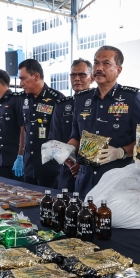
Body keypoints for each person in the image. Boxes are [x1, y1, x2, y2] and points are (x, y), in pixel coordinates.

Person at [67, 46, 140, 196]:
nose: (99, 68)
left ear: (119, 70)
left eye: (106, 63)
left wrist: (120, 152)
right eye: (96, 63)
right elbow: (75, 136)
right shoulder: (82, 99)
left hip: (117, 183)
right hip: (86, 181)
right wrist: (66, 150)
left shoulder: (132, 98)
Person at [17, 58, 66, 188]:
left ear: (36, 76)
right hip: (29, 167)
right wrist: (20, 155)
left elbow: (63, 134)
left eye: (23, 78)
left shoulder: (57, 99)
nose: (21, 83)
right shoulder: (23, 99)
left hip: (50, 168)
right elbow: (25, 129)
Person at [50, 58, 92, 192]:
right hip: (68, 170)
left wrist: (83, 164)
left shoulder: (98, 105)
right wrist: (70, 164)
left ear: (91, 78)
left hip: (92, 171)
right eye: (73, 75)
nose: (77, 79)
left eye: (82, 75)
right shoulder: (62, 105)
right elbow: (54, 140)